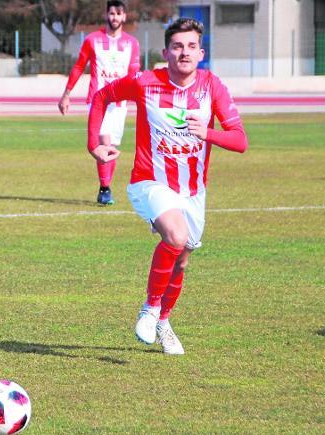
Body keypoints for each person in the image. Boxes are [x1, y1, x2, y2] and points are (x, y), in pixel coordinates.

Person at [88, 18, 247, 354]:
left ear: (201, 53)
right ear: (165, 52)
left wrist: (209, 133)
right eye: (177, 46)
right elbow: (103, 96)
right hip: (150, 181)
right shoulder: (146, 82)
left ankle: (163, 322)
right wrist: (95, 145)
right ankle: (149, 308)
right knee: (174, 236)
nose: (184, 53)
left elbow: (240, 140)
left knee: (182, 260)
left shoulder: (211, 86)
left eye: (191, 46)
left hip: (193, 190)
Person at [59, 0, 140, 206]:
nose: (115, 17)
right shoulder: (92, 40)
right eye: (111, 13)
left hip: (119, 103)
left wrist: (138, 98)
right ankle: (105, 189)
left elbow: (133, 74)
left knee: (111, 146)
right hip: (98, 100)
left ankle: (105, 187)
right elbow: (79, 67)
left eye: (118, 14)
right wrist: (66, 94)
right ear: (106, 15)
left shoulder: (132, 43)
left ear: (124, 17)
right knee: (104, 141)